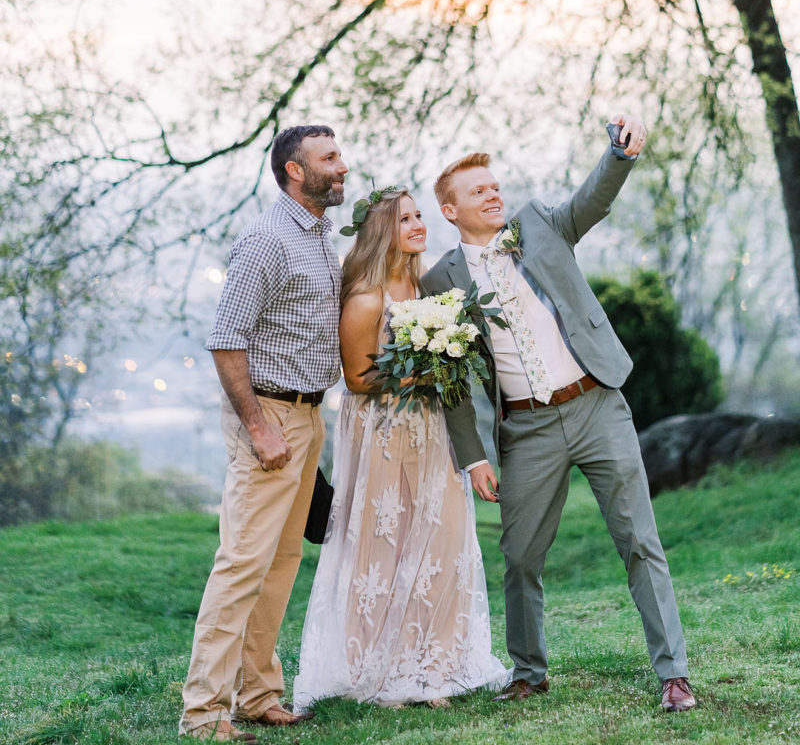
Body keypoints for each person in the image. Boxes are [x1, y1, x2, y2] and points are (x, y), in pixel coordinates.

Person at [420, 115, 697, 714]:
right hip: (526, 428)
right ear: (450, 210)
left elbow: (591, 200)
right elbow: (452, 382)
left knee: (638, 541)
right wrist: (472, 456)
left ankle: (673, 673)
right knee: (520, 556)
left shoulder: (540, 224)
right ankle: (528, 671)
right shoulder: (438, 280)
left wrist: (617, 156)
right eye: (478, 191)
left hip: (596, 404)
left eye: (495, 186)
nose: (494, 195)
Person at [293, 187, 508, 710]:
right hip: (385, 433)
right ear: (380, 231)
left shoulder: (425, 285)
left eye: (418, 215)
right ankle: (384, 668)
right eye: (404, 219)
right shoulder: (367, 297)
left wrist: (443, 362)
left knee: (442, 541)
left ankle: (440, 667)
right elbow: (358, 377)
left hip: (433, 432)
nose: (417, 225)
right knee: (387, 547)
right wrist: (421, 371)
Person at [179, 125, 348, 741]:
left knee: (281, 561)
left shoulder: (321, 237)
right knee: (242, 564)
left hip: (308, 415)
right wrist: (258, 426)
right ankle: (202, 716)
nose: (342, 166)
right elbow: (226, 339)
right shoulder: (266, 240)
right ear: (295, 171)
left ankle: (258, 694)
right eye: (329, 158)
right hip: (269, 417)